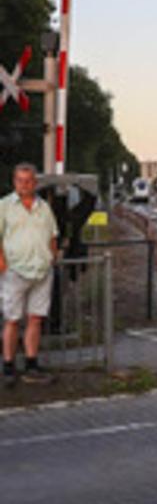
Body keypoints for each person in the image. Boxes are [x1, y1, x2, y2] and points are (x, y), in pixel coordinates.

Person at [0, 163, 59, 387]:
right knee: (12, 319)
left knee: (35, 318)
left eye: (29, 180)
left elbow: (52, 234)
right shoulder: (4, 206)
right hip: (15, 270)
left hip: (41, 270)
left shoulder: (44, 207)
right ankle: (8, 365)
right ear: (14, 182)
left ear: (35, 183)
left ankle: (31, 363)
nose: (25, 185)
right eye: (20, 180)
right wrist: (2, 261)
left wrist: (52, 257)